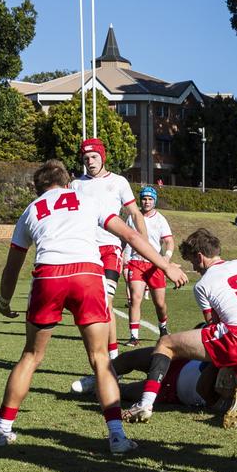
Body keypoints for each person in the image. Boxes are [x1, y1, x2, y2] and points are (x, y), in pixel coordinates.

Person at [0, 160, 186, 453]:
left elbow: (12, 266)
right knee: (100, 359)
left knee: (31, 355)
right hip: (87, 274)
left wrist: (4, 301)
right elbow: (131, 235)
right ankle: (117, 437)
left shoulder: (31, 210)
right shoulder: (87, 199)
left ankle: (1, 430)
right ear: (67, 182)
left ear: (38, 187)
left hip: (49, 275)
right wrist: (166, 265)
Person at [122, 228, 237, 427]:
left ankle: (145, 405)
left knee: (165, 343)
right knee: (235, 384)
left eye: (192, 261)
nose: (194, 268)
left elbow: (214, 325)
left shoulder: (203, 284)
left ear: (200, 256)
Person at [69, 137, 146, 361]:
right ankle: (109, 355)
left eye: (94, 157)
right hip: (85, 250)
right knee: (92, 306)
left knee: (106, 301)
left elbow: (135, 214)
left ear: (102, 157)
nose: (90, 162)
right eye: (86, 158)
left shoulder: (119, 182)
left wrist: (143, 246)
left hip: (110, 248)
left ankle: (112, 359)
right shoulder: (76, 185)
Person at [122, 186, 174, 345]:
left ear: (154, 201)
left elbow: (169, 241)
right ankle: (134, 336)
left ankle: (163, 327)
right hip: (136, 262)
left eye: (150, 199)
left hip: (155, 264)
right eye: (144, 198)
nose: (147, 202)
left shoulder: (160, 219)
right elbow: (126, 239)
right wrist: (123, 256)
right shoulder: (132, 217)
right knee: (135, 298)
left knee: (159, 303)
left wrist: (167, 256)